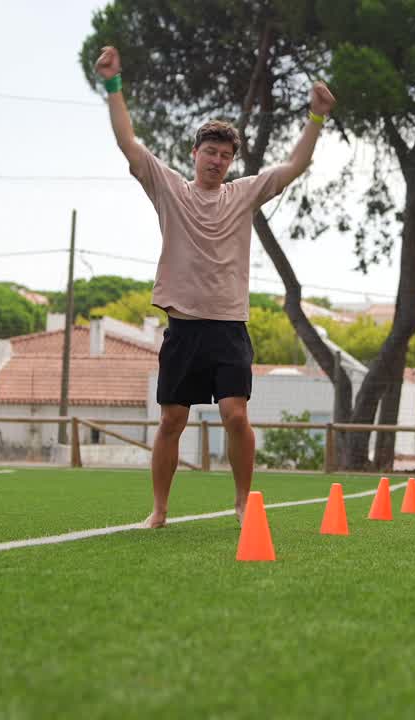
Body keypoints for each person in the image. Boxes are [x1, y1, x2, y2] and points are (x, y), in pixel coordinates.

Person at [93, 45, 335, 528]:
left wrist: (316, 118)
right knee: (171, 422)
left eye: (226, 155)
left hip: (228, 327)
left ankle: (244, 501)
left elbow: (293, 167)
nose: (218, 161)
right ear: (195, 153)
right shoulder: (170, 189)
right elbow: (128, 143)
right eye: (211, 152)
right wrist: (113, 85)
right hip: (183, 329)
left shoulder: (242, 194)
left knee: (236, 416)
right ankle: (159, 510)